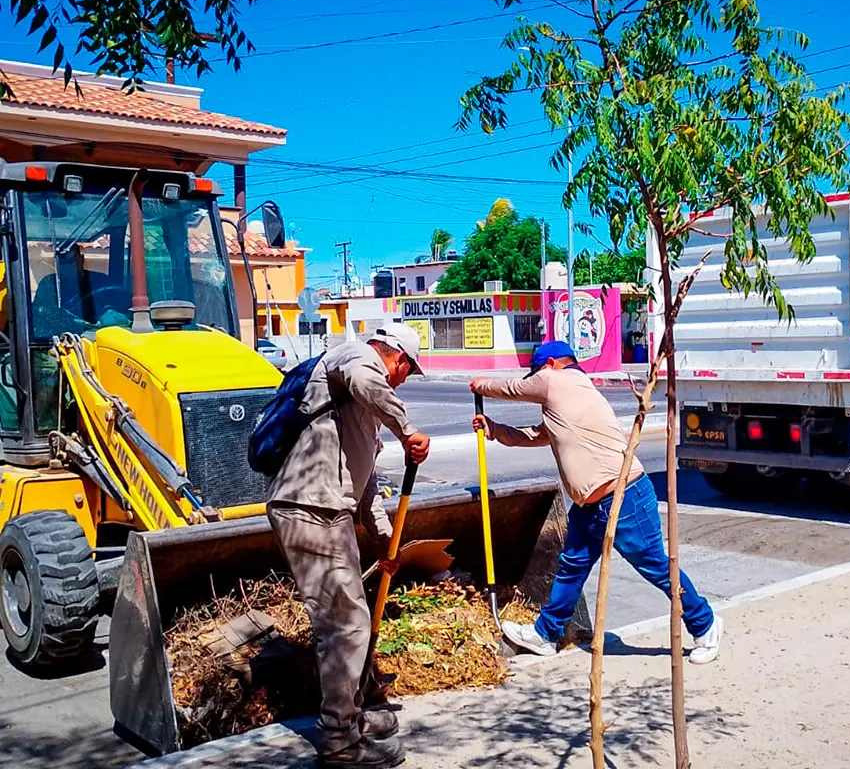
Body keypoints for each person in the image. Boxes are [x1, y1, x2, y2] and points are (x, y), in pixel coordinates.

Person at [471, 341, 723, 665]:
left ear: (549, 365)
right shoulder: (568, 400)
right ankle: (546, 634)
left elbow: (514, 388)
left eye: (536, 374)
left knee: (657, 567)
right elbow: (534, 436)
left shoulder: (560, 380)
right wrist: (495, 430)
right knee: (571, 567)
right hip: (591, 506)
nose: (535, 380)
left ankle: (706, 625)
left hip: (623, 497)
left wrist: (481, 385)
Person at [267, 324, 430, 769]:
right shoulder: (355, 357)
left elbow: (365, 485)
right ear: (396, 358)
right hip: (308, 507)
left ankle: (353, 712)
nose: (402, 381)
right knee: (345, 623)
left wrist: (383, 542)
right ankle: (340, 740)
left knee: (350, 616)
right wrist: (407, 428)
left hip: (329, 509)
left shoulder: (360, 408)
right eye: (407, 373)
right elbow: (365, 378)